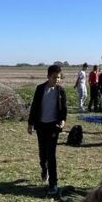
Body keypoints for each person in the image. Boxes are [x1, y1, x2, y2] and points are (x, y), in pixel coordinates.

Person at [27, 64, 67, 195]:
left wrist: (62, 121)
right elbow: (34, 107)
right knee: (42, 154)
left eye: (59, 77)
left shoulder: (61, 91)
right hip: (41, 125)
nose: (57, 80)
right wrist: (30, 123)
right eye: (54, 77)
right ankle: (44, 169)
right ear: (48, 76)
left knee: (51, 155)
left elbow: (63, 109)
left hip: (53, 127)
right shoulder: (40, 89)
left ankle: (53, 184)